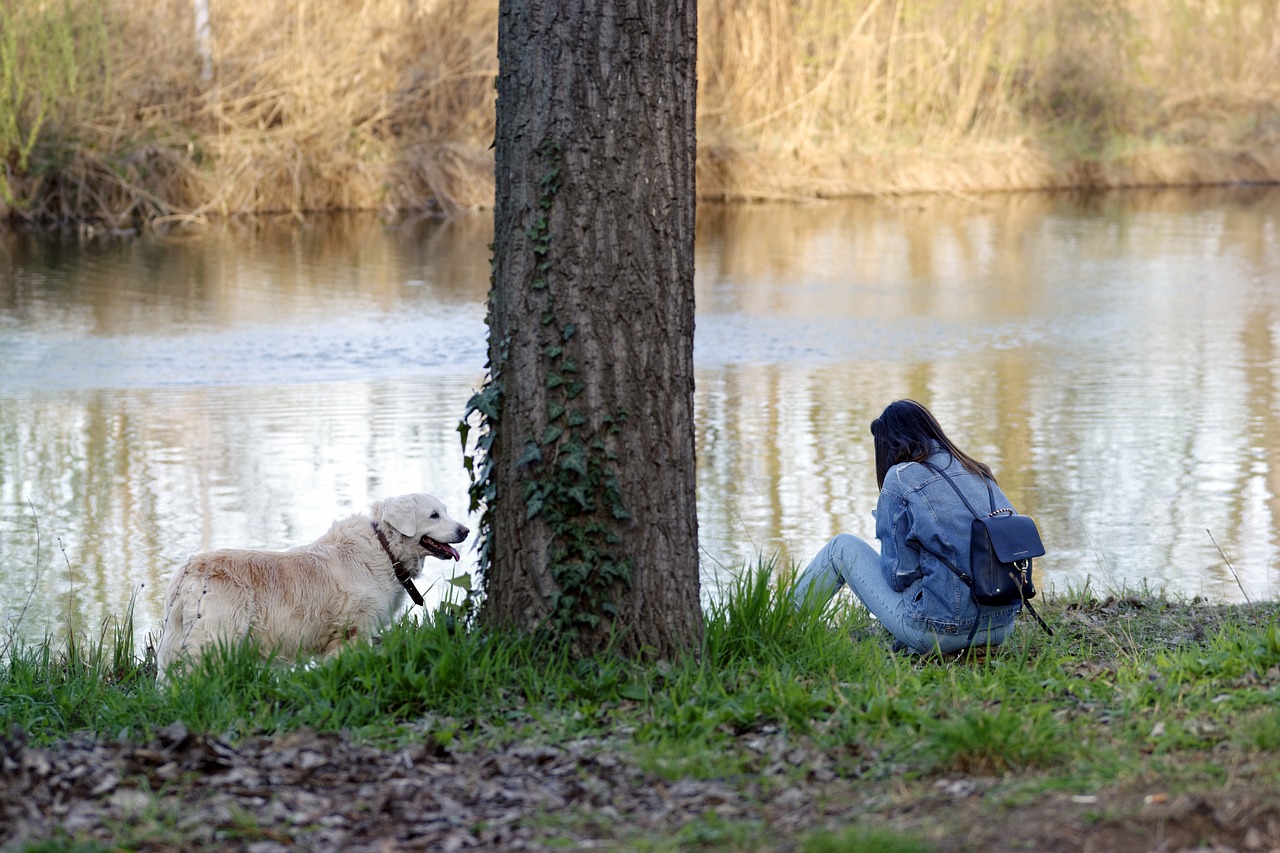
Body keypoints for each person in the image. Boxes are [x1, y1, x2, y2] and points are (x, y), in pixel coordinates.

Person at [793, 399, 1023, 654]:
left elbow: (897, 576)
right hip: (1000, 627)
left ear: (887, 445)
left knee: (841, 547)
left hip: (941, 632)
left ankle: (785, 624)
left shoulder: (900, 477)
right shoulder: (978, 470)